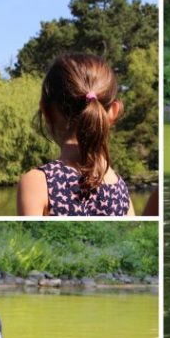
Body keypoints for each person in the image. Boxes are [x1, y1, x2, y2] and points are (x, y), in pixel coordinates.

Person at [17, 53, 135, 216]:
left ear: (46, 110)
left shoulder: (38, 182)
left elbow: (29, 240)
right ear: (113, 112)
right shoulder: (119, 187)